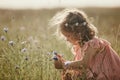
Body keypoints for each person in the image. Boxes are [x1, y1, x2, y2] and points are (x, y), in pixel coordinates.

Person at [50, 9, 120, 80]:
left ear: (78, 32)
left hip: (108, 75)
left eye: (68, 36)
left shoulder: (92, 44)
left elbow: (84, 64)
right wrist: (63, 63)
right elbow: (80, 67)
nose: (67, 39)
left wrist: (65, 65)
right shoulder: (79, 47)